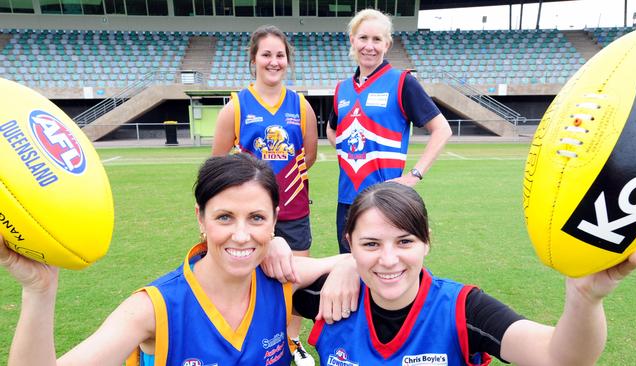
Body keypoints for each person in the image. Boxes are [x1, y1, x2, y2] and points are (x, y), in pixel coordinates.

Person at [0, 154, 352, 366]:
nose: (242, 235)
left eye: (257, 218)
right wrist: (39, 291)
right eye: (225, 217)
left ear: (275, 218)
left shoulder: (280, 277)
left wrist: (350, 265)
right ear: (200, 218)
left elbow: (370, 263)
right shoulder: (154, 307)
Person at [295, 182, 636, 365]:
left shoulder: (464, 309)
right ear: (349, 242)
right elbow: (250, 273)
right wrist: (329, 261)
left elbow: (561, 358)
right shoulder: (329, 295)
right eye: (370, 244)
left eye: (404, 241)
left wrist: (585, 299)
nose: (388, 259)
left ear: (426, 242)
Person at [211, 24, 318, 365]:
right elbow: (216, 164)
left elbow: (309, 156)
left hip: (294, 210)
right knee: (248, 278)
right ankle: (251, 339)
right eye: (266, 54)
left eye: (280, 55)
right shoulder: (236, 106)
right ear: (254, 59)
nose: (274, 62)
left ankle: (292, 340)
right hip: (251, 214)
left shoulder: (301, 107)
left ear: (288, 61)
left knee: (294, 279)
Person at [326, 9, 453, 254]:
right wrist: (351, 150)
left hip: (385, 201)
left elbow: (442, 129)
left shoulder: (402, 82)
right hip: (347, 201)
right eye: (363, 38)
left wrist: (414, 175)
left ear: (387, 44)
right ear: (353, 40)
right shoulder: (342, 89)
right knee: (350, 272)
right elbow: (333, 131)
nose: (369, 46)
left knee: (384, 275)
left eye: (377, 39)